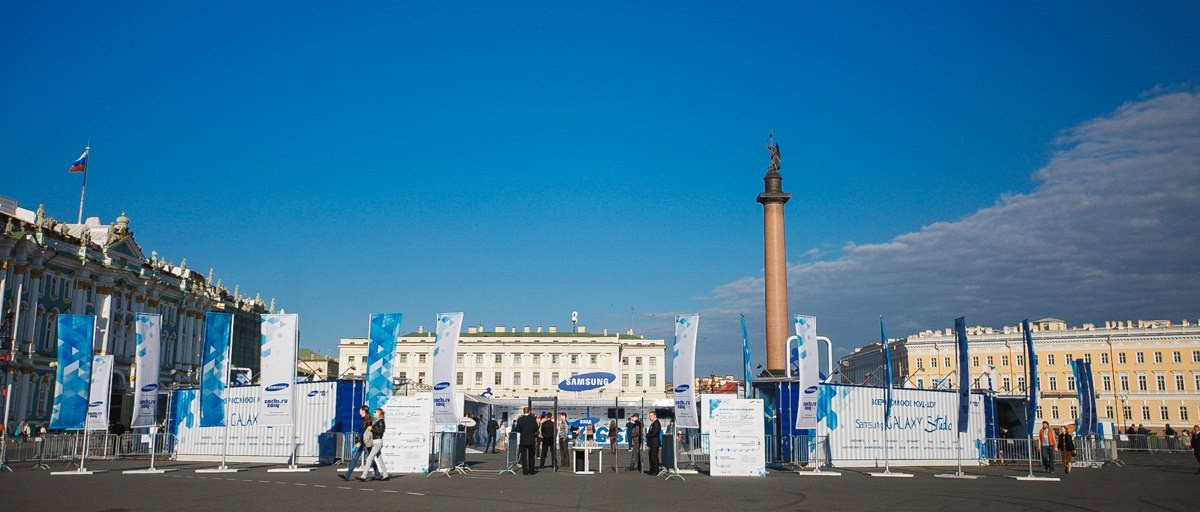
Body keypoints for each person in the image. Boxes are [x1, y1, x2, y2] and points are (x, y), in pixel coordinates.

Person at [344, 406, 381, 481]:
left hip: (366, 443)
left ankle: (377, 474)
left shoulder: (368, 420)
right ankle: (347, 476)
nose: (359, 411)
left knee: (370, 459)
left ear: (363, 411)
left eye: (360, 410)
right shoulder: (362, 419)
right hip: (362, 442)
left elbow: (364, 433)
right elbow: (360, 432)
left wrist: (358, 441)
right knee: (355, 458)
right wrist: (358, 441)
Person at [358, 408, 390, 481]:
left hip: (378, 442)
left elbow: (381, 431)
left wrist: (372, 429)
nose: (374, 413)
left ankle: (363, 476)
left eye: (375, 412)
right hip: (375, 441)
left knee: (369, 458)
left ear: (379, 413)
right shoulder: (376, 421)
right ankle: (385, 474)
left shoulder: (380, 421)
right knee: (379, 459)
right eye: (374, 412)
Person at [515, 407, 539, 475]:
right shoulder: (533, 419)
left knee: (523, 456)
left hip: (523, 439)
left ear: (523, 412)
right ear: (529, 411)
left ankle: (525, 471)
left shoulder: (520, 419)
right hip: (531, 439)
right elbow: (536, 428)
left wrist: (523, 431)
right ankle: (531, 471)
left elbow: (517, 429)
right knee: (531, 456)